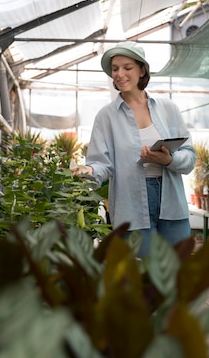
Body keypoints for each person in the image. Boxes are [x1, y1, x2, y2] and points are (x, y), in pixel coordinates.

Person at [75, 41, 197, 257]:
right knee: (139, 275)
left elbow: (189, 157)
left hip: (171, 202)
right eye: (115, 69)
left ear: (142, 70)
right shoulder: (107, 116)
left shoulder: (168, 109)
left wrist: (168, 160)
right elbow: (101, 164)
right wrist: (90, 172)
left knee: (177, 271)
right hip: (130, 203)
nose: (120, 74)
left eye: (127, 67)